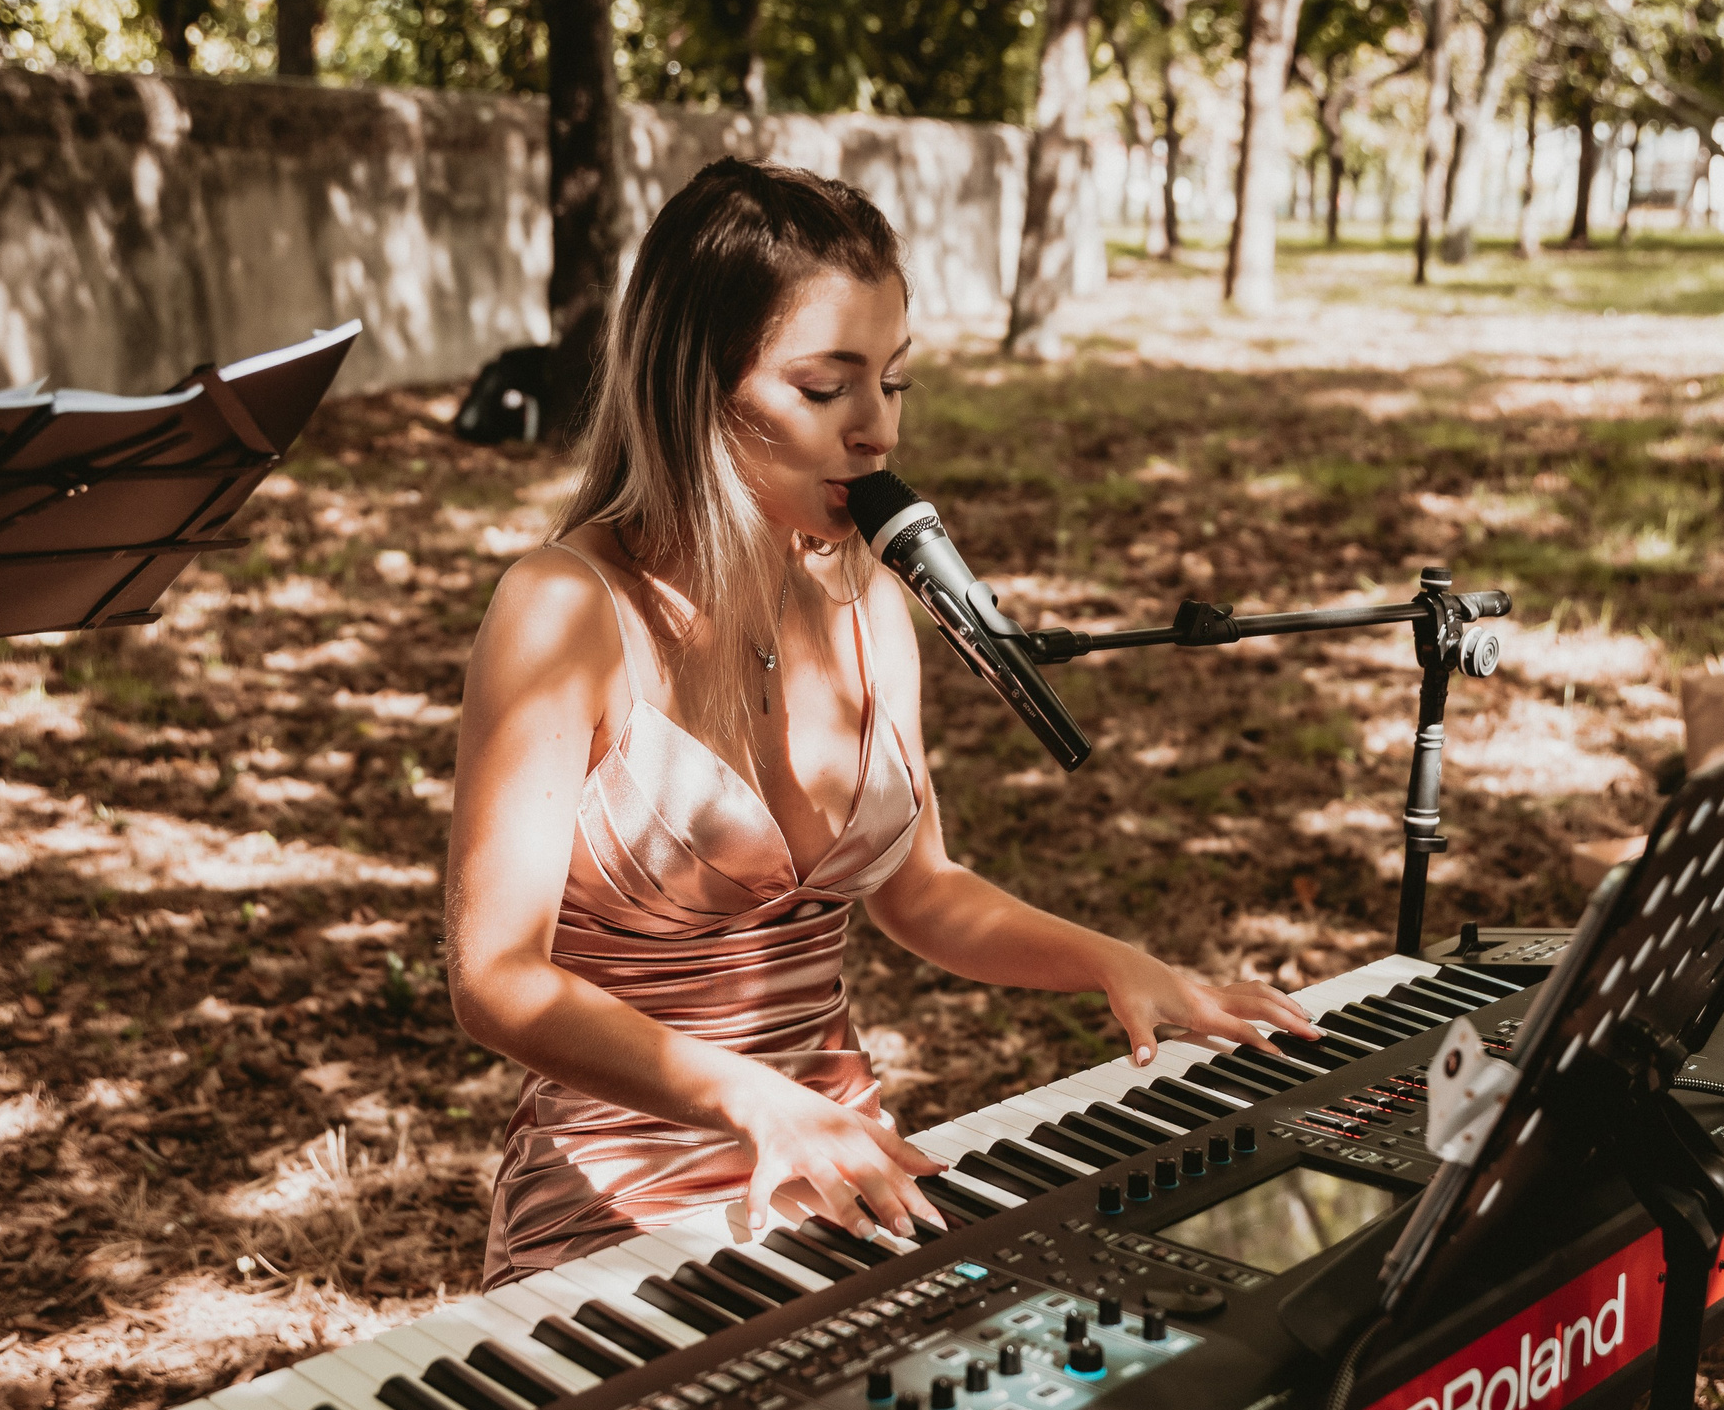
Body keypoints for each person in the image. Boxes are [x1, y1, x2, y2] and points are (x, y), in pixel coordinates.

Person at [445, 158, 1317, 1288]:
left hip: (843, 1166)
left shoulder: (865, 591)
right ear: (694, 388)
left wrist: (1116, 961)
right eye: (824, 387)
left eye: (892, 383)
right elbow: (494, 978)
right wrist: (759, 1104)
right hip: (619, 1202)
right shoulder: (562, 609)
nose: (873, 433)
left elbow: (922, 890)